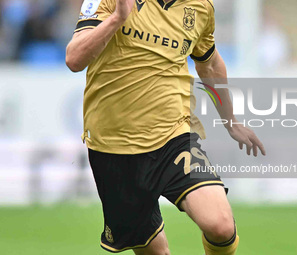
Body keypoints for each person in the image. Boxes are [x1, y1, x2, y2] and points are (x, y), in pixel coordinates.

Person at [66, 0, 265, 254]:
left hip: (173, 137)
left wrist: (231, 122)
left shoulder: (200, 7)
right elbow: (74, 59)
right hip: (114, 148)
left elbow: (210, 64)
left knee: (220, 225)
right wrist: (117, 19)